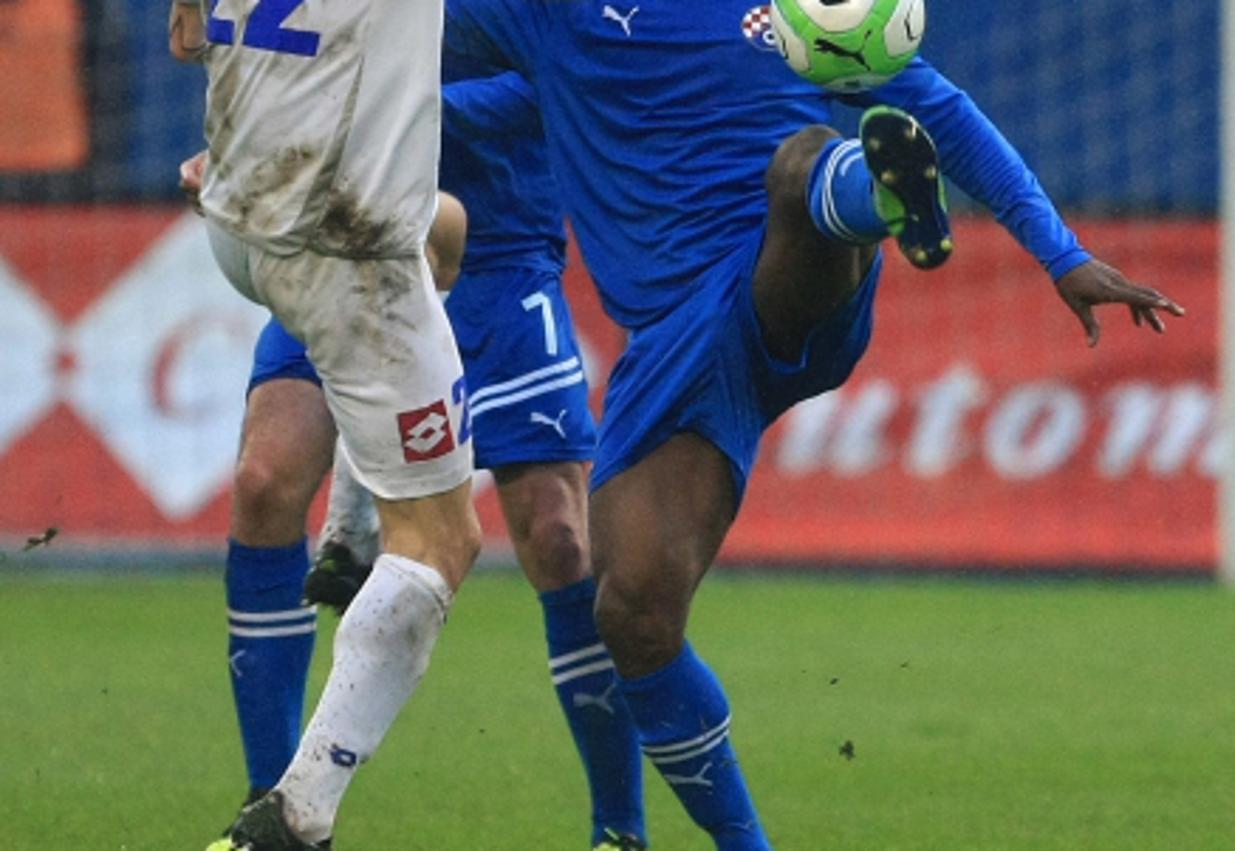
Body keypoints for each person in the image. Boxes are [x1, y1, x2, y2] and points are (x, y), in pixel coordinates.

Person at [441, 3, 1185, 849]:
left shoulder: (797, 12)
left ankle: (883, 195)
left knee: (798, 167)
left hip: (781, 284)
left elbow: (945, 109)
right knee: (634, 611)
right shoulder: (548, 16)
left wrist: (1063, 255)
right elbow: (427, 63)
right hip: (674, 346)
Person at [176, 65, 648, 850]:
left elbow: (553, 81)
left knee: (560, 536)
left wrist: (373, 113)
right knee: (265, 479)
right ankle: (273, 802)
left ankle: (619, 830)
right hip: (343, 232)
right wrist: (242, 152)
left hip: (498, 255)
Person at [170, 0, 483, 848]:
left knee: (438, 235)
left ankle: (349, 521)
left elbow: (184, 33)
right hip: (336, 248)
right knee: (440, 540)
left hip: (236, 212)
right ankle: (295, 816)